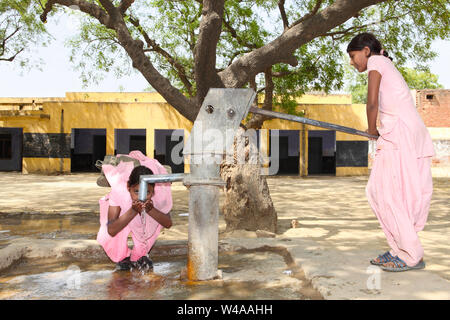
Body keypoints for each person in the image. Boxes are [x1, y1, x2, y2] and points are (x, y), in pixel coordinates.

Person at [347, 33, 435, 272]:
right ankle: (399, 250)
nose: (352, 63)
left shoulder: (377, 62)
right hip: (404, 133)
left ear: (366, 51)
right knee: (385, 193)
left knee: (385, 193)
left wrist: (371, 129)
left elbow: (372, 102)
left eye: (353, 57)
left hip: (399, 134)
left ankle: (410, 254)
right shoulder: (385, 64)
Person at [96, 151, 173, 272]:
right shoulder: (120, 193)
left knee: (153, 220)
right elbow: (111, 230)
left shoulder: (159, 196)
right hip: (123, 216)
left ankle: (140, 254)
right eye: (136, 191)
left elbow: (168, 223)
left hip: (148, 214)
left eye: (147, 192)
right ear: (128, 187)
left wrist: (151, 210)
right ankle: (122, 257)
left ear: (153, 191)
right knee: (116, 227)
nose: (141, 197)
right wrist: (132, 211)